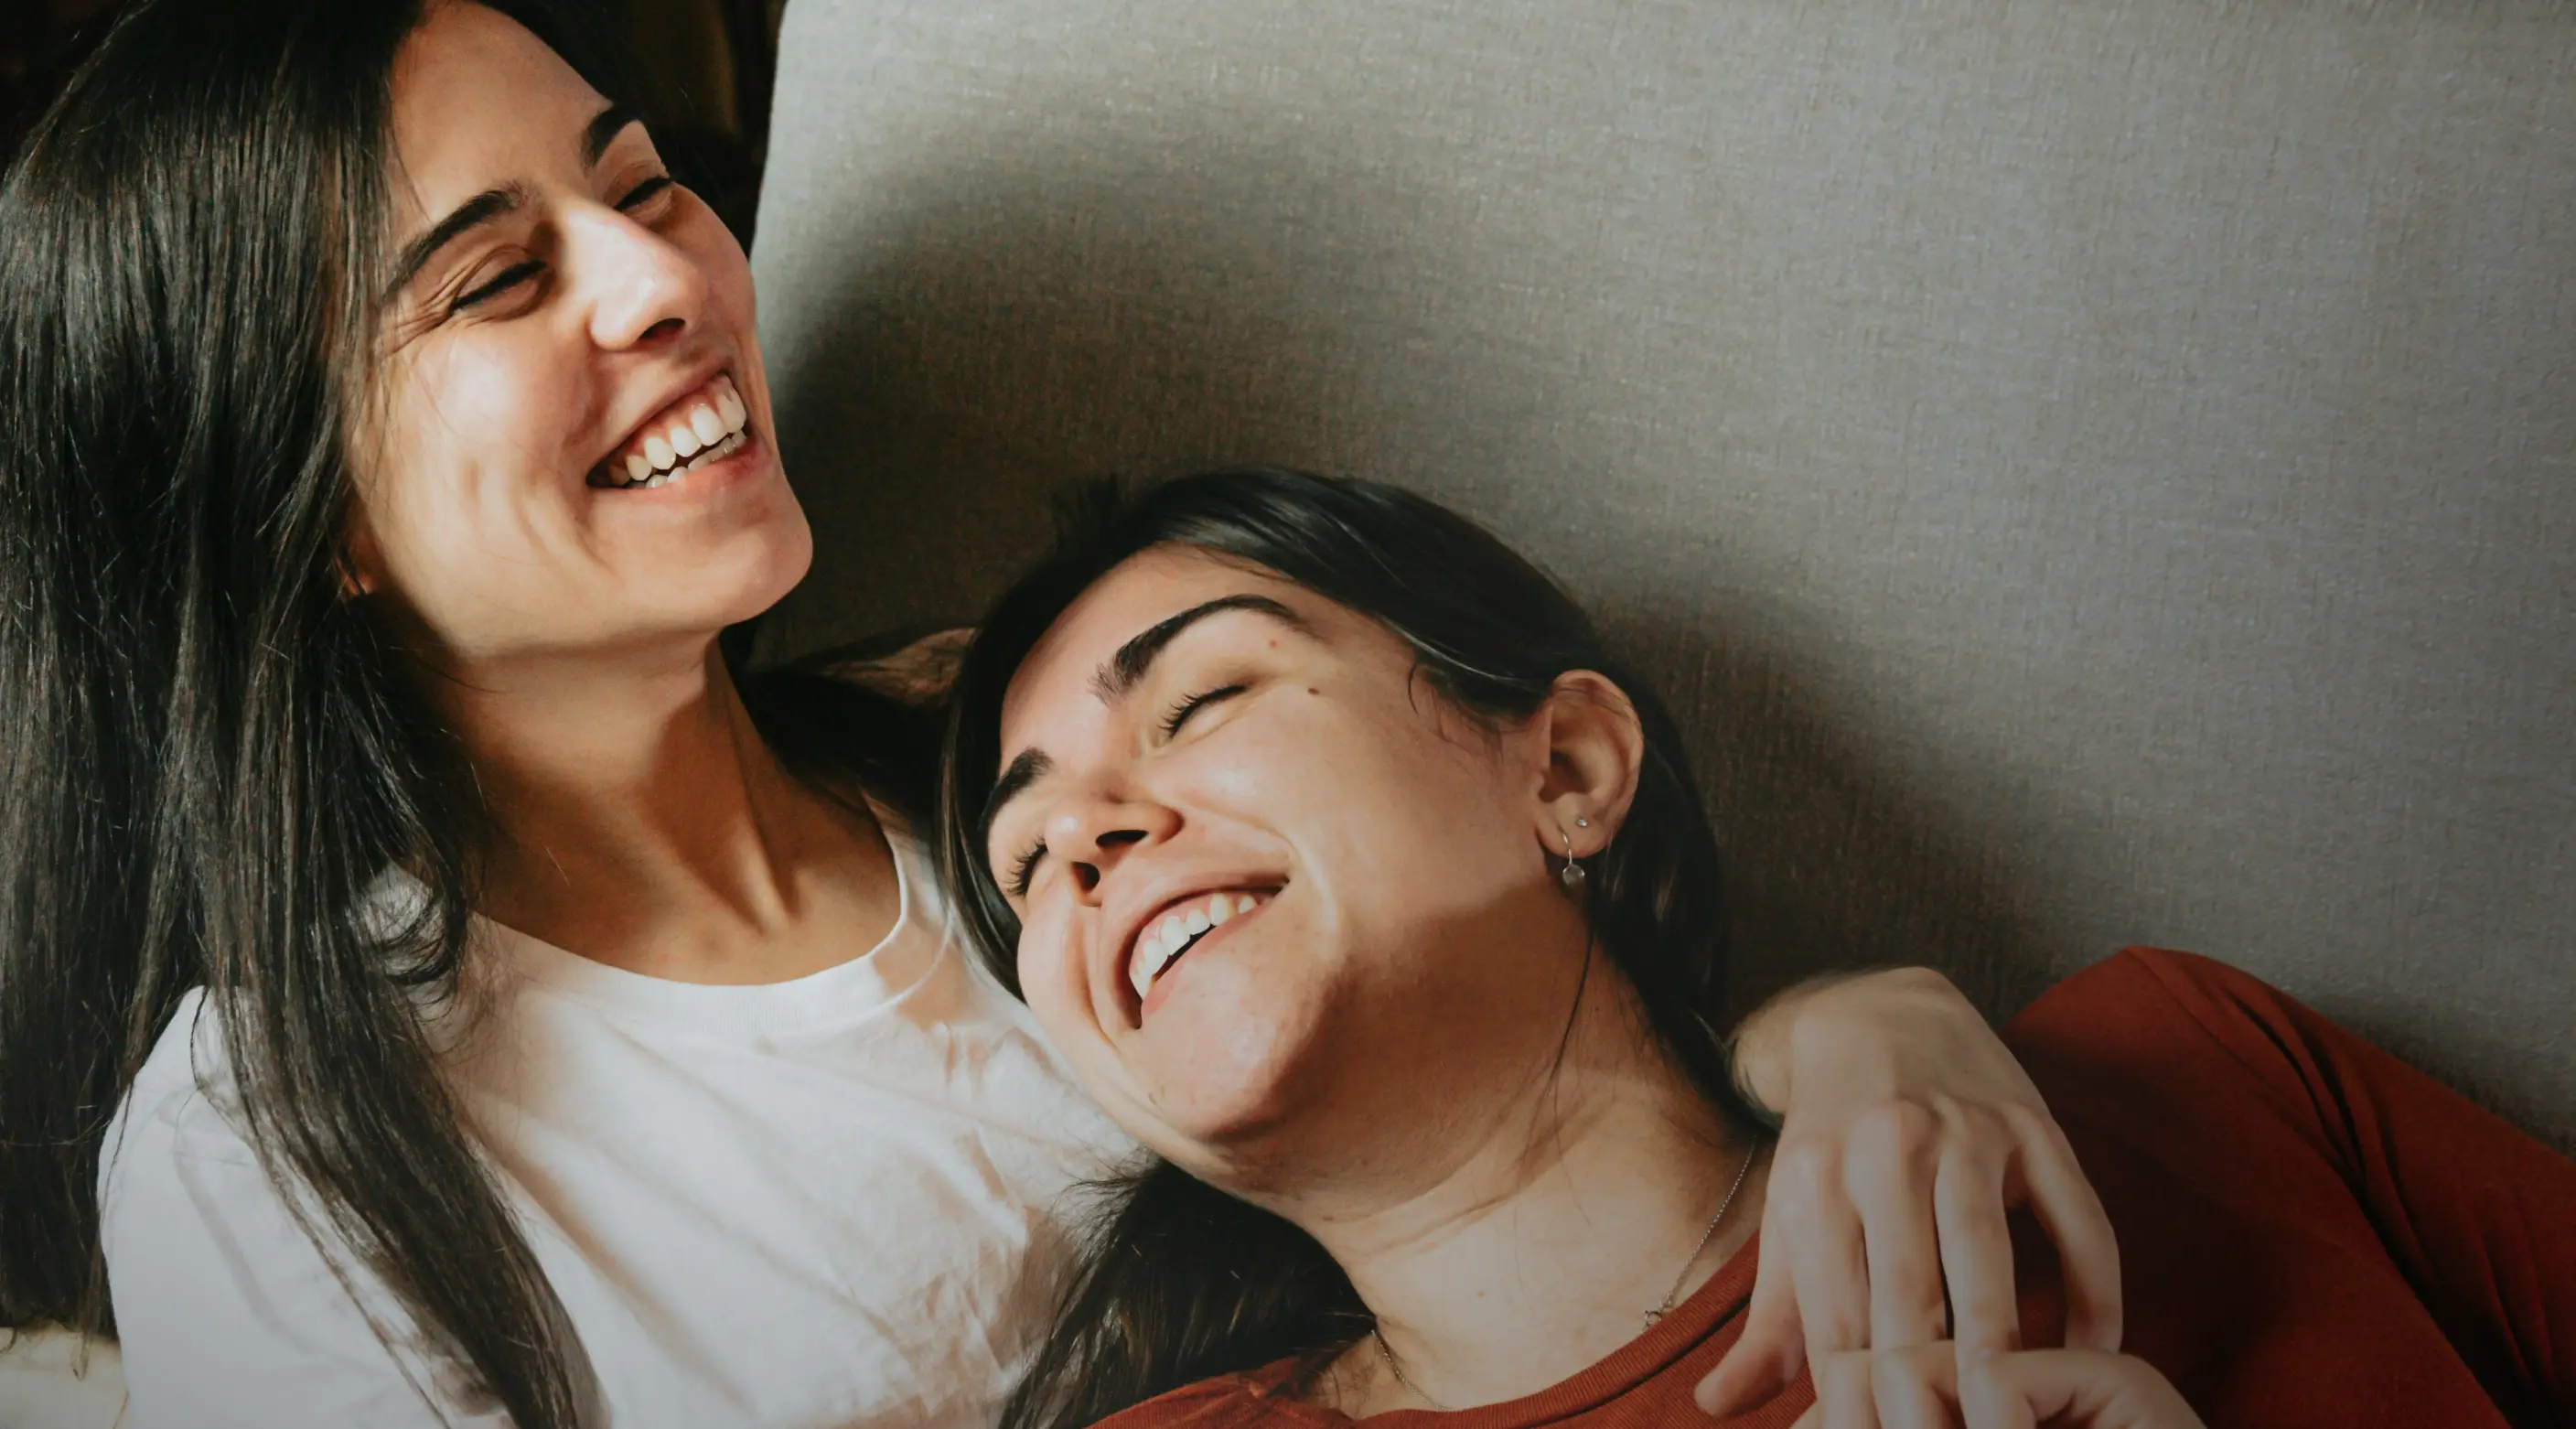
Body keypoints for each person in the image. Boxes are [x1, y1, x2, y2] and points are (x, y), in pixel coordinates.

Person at [0, 5, 2120, 1427]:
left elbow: (1531, 1072)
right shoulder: (275, 1143)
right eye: (495, 280)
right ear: (309, 521)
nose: (670, 282)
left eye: (640, 187)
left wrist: (1841, 1034)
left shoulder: (1011, 746)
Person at [939, 467, 2576, 1429]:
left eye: (1200, 698)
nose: (1084, 838)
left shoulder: (2186, 1075)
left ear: (1568, 768)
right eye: (1027, 863)